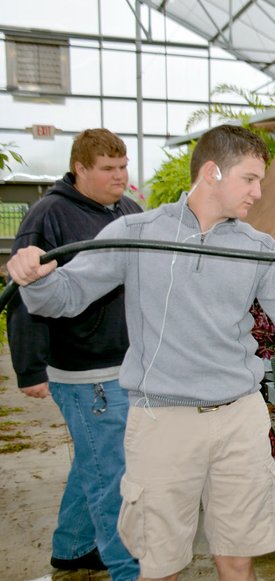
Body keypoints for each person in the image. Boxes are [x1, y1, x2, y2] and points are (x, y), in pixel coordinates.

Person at [7, 124, 275, 581]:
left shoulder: (257, 247)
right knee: (161, 563)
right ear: (212, 172)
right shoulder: (136, 232)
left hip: (239, 419)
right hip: (162, 421)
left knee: (238, 559)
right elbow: (65, 297)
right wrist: (36, 276)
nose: (258, 191)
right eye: (249, 179)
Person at [6, 128, 141, 580]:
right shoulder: (50, 215)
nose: (120, 176)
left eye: (123, 167)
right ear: (79, 169)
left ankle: (72, 548)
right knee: (114, 479)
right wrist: (29, 369)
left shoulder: (127, 212)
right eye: (108, 169)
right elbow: (23, 296)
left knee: (95, 460)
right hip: (85, 371)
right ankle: (128, 568)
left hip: (123, 362)